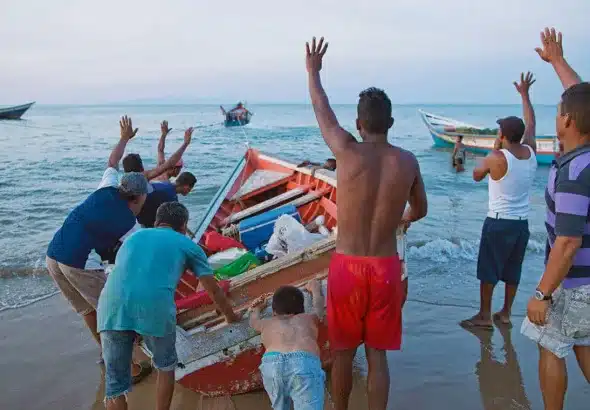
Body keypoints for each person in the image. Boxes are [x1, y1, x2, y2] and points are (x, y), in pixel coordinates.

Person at [306, 37, 428, 410]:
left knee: (342, 354)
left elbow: (321, 109)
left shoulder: (345, 149)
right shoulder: (407, 162)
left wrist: (313, 72)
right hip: (386, 269)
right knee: (378, 356)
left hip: (347, 267)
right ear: (390, 123)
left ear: (359, 123)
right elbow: (420, 210)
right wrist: (401, 221)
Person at [97, 202, 240, 410]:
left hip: (109, 308)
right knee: (165, 366)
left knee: (116, 387)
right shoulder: (188, 245)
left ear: (156, 222)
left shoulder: (133, 238)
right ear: (183, 226)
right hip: (154, 309)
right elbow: (213, 290)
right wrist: (230, 317)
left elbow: (127, 275)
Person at [520, 27, 588, 410]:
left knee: (550, 342)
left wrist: (542, 292)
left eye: (561, 112)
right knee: (580, 339)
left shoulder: (576, 170)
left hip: (575, 280)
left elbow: (567, 242)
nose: (557, 116)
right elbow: (583, 100)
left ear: (568, 123)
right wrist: (558, 62)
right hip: (587, 281)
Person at [46, 172, 152, 382]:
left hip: (53, 255)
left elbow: (112, 164)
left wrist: (123, 139)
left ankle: (106, 354)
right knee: (113, 313)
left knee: (88, 309)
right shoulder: (129, 224)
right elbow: (141, 256)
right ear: (138, 198)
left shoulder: (107, 187)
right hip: (79, 262)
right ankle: (128, 369)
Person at [460, 71, 538, 330]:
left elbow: (475, 175)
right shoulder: (530, 151)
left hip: (498, 222)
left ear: (503, 135)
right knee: (513, 269)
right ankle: (505, 313)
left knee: (488, 270)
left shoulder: (497, 157)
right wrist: (525, 95)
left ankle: (484, 315)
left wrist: (495, 147)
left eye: (498, 130)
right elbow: (531, 123)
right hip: (521, 224)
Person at [249, 279, 325, 410]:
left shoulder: (267, 323)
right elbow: (318, 307)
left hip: (271, 364)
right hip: (302, 363)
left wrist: (256, 309)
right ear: (302, 310)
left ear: (274, 312)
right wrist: (315, 290)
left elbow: (253, 322)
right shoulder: (309, 318)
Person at [114, 117, 193, 182]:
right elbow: (169, 162)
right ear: (175, 168)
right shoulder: (160, 178)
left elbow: (160, 150)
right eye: (180, 168)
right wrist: (185, 144)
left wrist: (163, 135)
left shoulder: (159, 167)